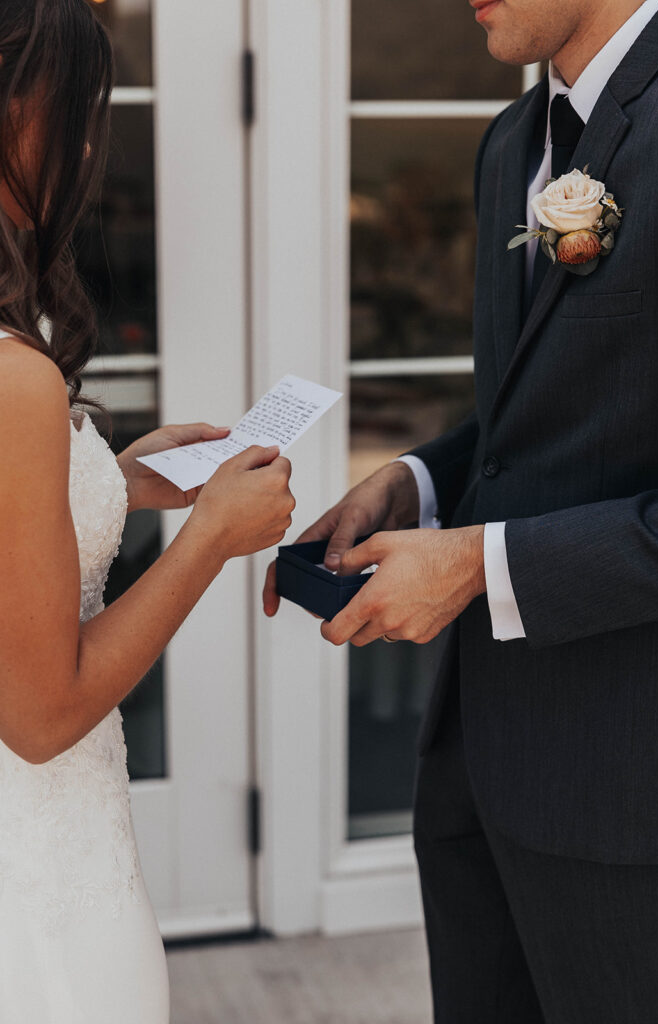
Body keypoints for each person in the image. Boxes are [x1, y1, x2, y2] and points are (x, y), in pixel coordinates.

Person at [264, 0, 658, 1020]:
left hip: (639, 792)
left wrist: (479, 568)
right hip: (475, 763)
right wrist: (416, 480)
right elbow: (546, 412)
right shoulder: (510, 144)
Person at [0, 3, 295, 1022]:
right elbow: (40, 715)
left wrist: (110, 478)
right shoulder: (13, 379)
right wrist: (212, 535)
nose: (85, 145)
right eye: (76, 114)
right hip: (38, 869)